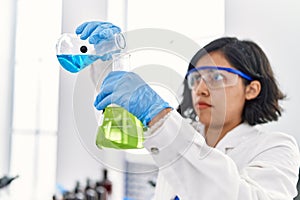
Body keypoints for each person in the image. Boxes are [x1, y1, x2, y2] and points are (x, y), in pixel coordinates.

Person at [76, 21, 300, 199]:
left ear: (251, 89)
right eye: (196, 78)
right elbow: (117, 113)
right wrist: (107, 57)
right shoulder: (183, 132)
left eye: (216, 77)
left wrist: (159, 116)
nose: (200, 89)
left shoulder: (276, 147)